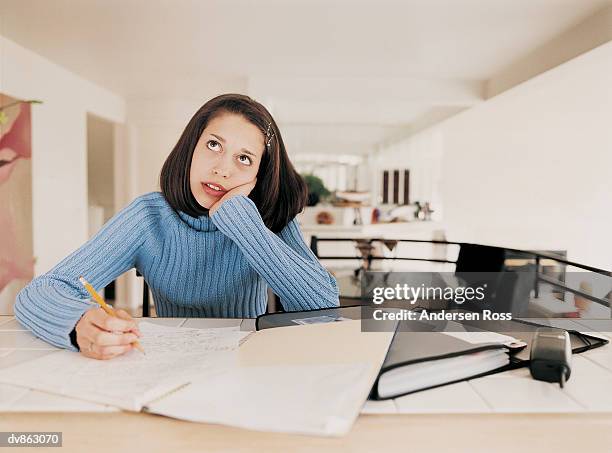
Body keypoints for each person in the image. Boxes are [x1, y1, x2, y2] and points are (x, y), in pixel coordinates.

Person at [14, 94, 340, 360]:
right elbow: (38, 293)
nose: (222, 170)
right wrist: (80, 322)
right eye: (214, 145)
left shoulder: (270, 217)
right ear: (191, 148)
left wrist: (242, 221)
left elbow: (324, 310)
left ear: (258, 176)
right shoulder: (149, 216)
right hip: (167, 361)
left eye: (244, 159)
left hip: (249, 362)